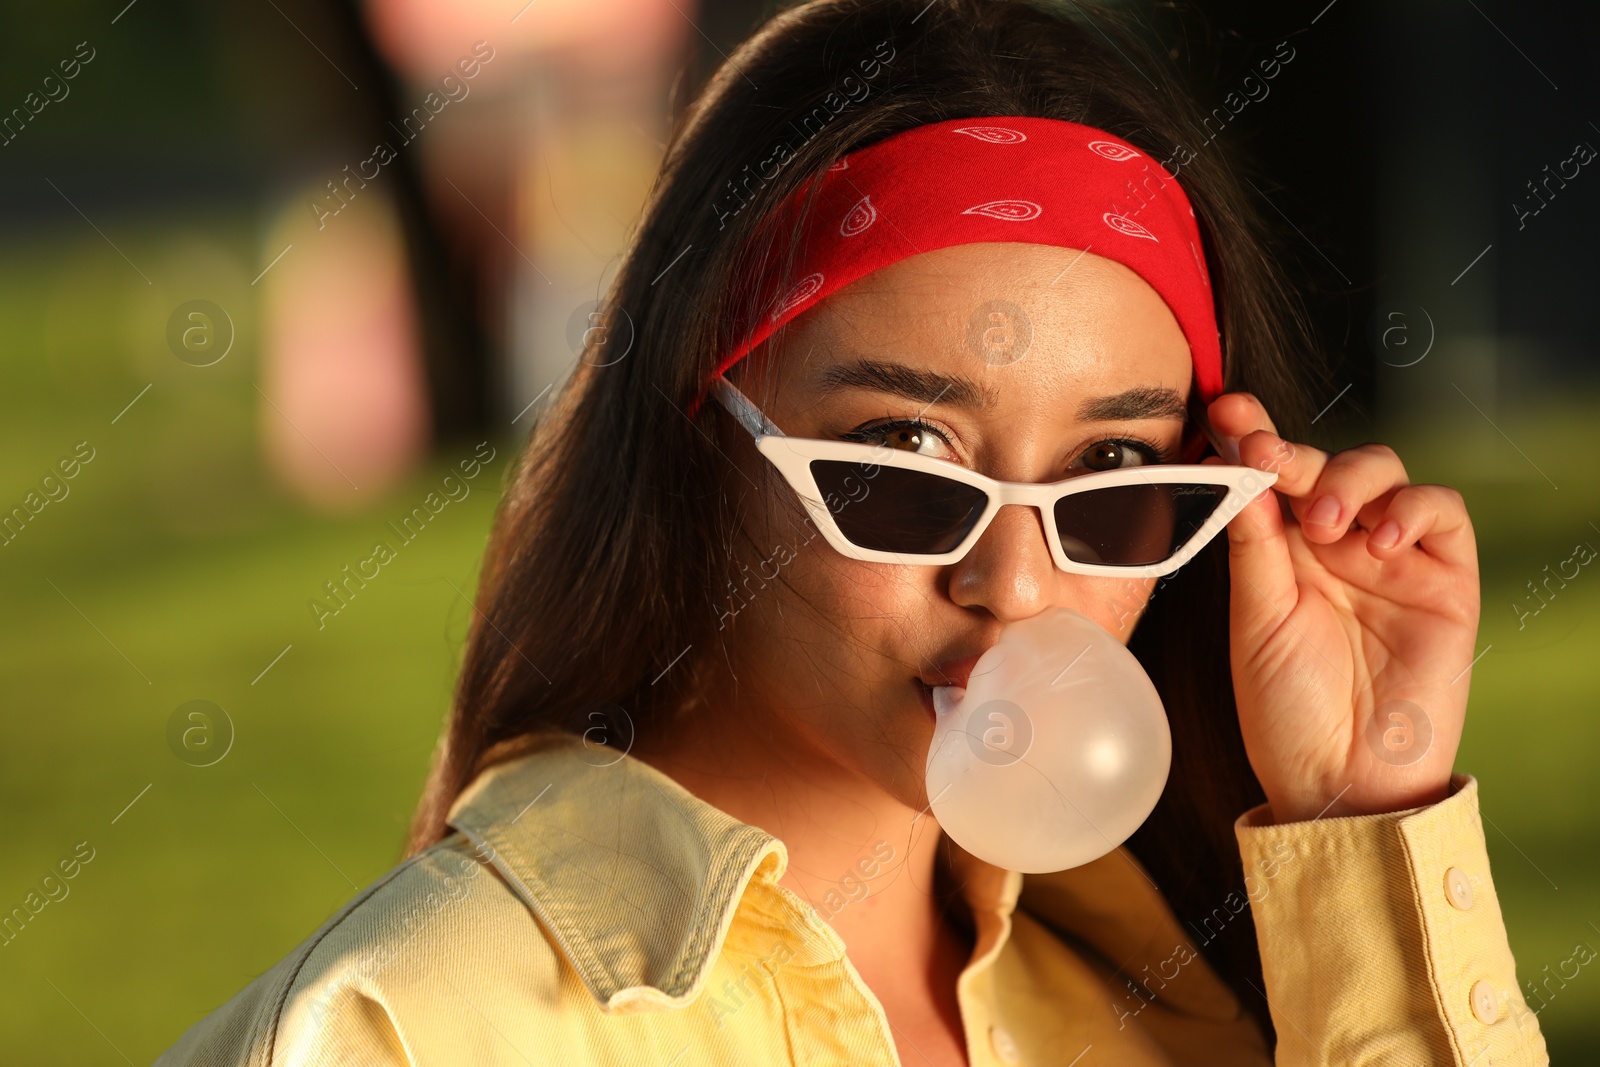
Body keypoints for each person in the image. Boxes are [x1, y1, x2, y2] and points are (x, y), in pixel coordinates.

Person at [154, 0, 1552, 1064]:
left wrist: (1369, 807)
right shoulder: (417, 1024)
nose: (1014, 582)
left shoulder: (1153, 1009)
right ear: (703, 450)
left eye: (1114, 473)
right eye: (901, 462)